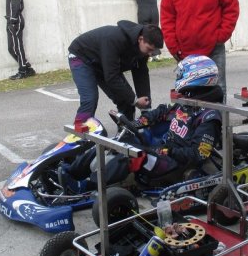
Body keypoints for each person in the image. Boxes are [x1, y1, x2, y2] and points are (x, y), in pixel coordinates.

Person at [66, 55, 224, 187]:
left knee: (130, 156)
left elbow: (197, 155)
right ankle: (70, 173)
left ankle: (88, 187)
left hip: (175, 163)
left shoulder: (209, 117)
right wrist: (136, 124)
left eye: (182, 74)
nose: (178, 77)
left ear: (197, 76)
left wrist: (168, 151)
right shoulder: (189, 101)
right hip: (163, 150)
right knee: (109, 143)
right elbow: (160, 113)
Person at [160, 0, 240, 99]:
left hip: (213, 47)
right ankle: (191, 122)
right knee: (187, 90)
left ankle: (218, 122)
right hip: (184, 51)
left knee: (218, 87)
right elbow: (167, 17)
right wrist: (173, 46)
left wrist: (221, 35)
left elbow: (231, 7)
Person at [68, 20, 164, 124]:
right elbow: (112, 77)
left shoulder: (142, 49)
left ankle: (128, 133)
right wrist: (135, 100)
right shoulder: (115, 38)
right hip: (81, 57)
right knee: (90, 99)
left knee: (126, 99)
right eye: (149, 49)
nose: (150, 54)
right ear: (141, 39)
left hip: (102, 62)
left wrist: (146, 109)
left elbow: (141, 75)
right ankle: (79, 132)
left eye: (153, 51)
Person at [0, 0, 36, 80]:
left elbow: (16, 5)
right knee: (11, 48)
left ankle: (23, 70)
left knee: (18, 46)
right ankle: (27, 67)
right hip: (11, 21)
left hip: (15, 22)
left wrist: (13, 19)